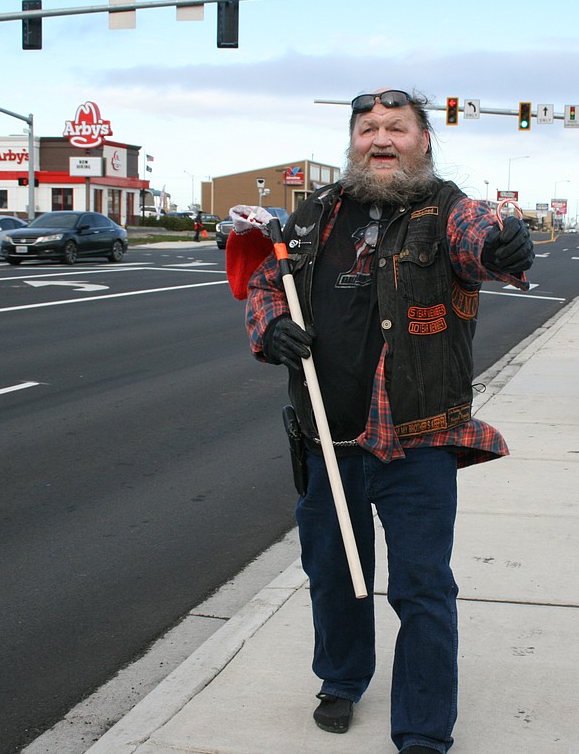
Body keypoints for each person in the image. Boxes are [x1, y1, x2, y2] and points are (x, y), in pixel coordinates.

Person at [243, 87, 533, 754]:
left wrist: (506, 245)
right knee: (337, 572)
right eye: (368, 128)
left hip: (418, 441)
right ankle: (341, 679)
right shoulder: (312, 216)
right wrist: (273, 328)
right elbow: (265, 283)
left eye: (396, 127)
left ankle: (425, 731)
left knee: (423, 587)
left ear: (423, 140)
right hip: (326, 438)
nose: (381, 138)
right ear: (352, 143)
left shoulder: (448, 209)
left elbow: (482, 241)